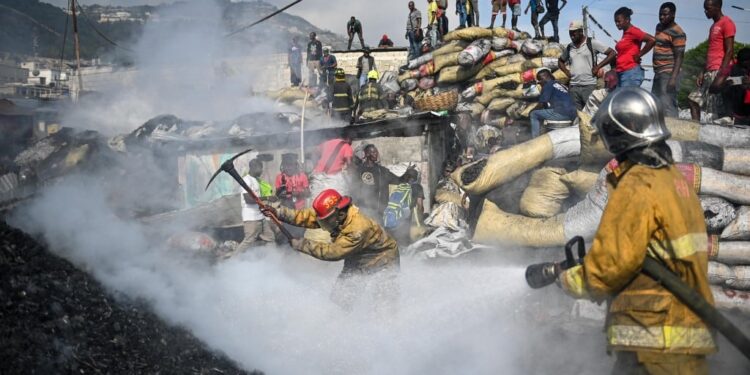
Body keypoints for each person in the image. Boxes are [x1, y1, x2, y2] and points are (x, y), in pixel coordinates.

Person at [557, 87, 716, 373]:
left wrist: (566, 279)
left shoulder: (636, 185)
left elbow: (608, 269)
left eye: (607, 132)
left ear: (623, 132)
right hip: (684, 334)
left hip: (651, 341)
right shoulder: (673, 181)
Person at [260, 189, 400, 310]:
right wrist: (278, 212)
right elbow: (308, 217)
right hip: (357, 255)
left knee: (383, 303)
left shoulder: (358, 228)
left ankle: (384, 331)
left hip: (383, 260)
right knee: (341, 298)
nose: (322, 224)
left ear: (339, 214)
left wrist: (302, 244)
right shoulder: (335, 214)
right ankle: (340, 323)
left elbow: (333, 252)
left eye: (326, 220)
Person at [688, 0, 736, 122]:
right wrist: (702, 72)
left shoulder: (727, 23)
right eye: (705, 8)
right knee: (693, 100)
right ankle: (695, 131)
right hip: (709, 71)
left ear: (717, 7)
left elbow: (730, 50)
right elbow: (711, 51)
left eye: (708, 8)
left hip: (718, 69)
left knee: (714, 111)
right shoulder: (713, 26)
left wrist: (721, 75)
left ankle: (717, 137)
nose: (705, 11)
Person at [558, 20, 616, 110]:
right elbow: (560, 61)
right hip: (574, 87)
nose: (571, 35)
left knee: (590, 114)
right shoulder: (570, 47)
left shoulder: (591, 43)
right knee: (578, 115)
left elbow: (612, 53)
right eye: (570, 33)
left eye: (574, 32)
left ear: (581, 31)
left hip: (589, 86)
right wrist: (566, 72)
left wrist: (598, 67)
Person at [355, 144, 416, 221]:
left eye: (376, 152)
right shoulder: (360, 170)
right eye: (373, 152)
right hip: (366, 210)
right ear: (367, 154)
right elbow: (355, 189)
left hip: (382, 210)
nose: (376, 154)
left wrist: (407, 173)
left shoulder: (382, 170)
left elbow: (398, 180)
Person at [650, 2, 686, 118]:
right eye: (660, 14)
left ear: (673, 15)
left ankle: (674, 132)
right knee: (655, 104)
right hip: (658, 72)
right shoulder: (659, 27)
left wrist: (673, 78)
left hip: (669, 73)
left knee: (668, 104)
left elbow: (679, 56)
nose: (662, 17)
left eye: (665, 14)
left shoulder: (678, 32)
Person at [234, 158, 275, 256]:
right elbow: (249, 200)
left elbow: (257, 199)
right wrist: (267, 197)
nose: (261, 171)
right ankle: (233, 260)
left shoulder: (256, 180)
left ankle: (273, 260)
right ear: (254, 167)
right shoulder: (246, 180)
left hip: (260, 216)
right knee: (249, 240)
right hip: (251, 217)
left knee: (270, 237)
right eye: (261, 168)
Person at [613, 7, 656, 88]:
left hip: (630, 72)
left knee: (626, 99)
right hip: (622, 72)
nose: (617, 24)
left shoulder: (633, 31)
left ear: (627, 20)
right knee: (620, 99)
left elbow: (652, 40)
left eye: (619, 21)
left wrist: (639, 55)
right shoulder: (625, 34)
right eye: (615, 22)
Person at [383, 168, 425, 246]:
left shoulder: (400, 186)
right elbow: (420, 206)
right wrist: (421, 217)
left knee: (395, 239)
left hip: (394, 215)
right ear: (416, 178)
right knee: (405, 240)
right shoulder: (418, 187)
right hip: (406, 216)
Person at [529, 68, 576, 137]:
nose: (540, 83)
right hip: (574, 114)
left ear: (544, 78)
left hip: (563, 113)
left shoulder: (548, 85)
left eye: (540, 80)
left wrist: (531, 111)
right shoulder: (560, 84)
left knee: (534, 114)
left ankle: (535, 139)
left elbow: (542, 103)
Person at [716, 48, 750, 125]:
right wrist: (727, 83)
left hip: (746, 107)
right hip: (737, 106)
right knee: (726, 88)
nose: (742, 66)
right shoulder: (734, 67)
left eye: (744, 63)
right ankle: (730, 116)